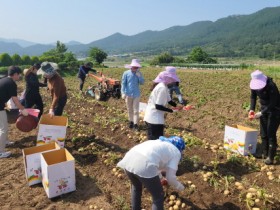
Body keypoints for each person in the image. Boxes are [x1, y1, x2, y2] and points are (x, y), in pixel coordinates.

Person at [117, 136, 185, 210]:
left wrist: (161, 178)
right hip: (143, 164)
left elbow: (154, 163)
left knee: (136, 187)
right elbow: (170, 178)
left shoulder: (160, 143)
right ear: (180, 148)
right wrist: (180, 187)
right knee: (158, 197)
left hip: (128, 159)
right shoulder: (176, 152)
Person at [248, 70, 280, 165]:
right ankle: (264, 153)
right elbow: (253, 97)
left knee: (270, 133)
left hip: (275, 110)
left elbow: (274, 102)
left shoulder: (271, 85)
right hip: (264, 110)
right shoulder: (254, 86)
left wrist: (262, 112)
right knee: (263, 133)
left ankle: (271, 157)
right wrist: (251, 109)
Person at [144, 69, 183, 140]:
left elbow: (169, 101)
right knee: (155, 141)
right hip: (154, 119)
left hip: (152, 117)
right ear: (168, 79)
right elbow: (158, 106)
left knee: (154, 140)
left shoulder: (163, 86)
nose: (174, 81)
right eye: (172, 79)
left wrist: (177, 106)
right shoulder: (162, 88)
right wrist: (172, 110)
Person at [0, 66, 29, 158]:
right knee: (3, 128)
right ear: (15, 74)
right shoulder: (12, 83)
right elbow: (15, 100)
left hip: (1, 105)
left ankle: (5, 141)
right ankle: (0, 152)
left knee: (3, 126)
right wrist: (22, 109)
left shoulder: (4, 79)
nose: (19, 76)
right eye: (19, 74)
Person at [121, 59, 145, 130]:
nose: (136, 68)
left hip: (136, 94)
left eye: (137, 67)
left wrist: (139, 76)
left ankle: (136, 124)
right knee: (129, 109)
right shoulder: (126, 73)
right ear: (131, 66)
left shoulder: (139, 73)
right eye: (134, 67)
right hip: (128, 94)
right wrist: (123, 92)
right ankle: (131, 121)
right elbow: (123, 84)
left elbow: (142, 82)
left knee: (136, 110)